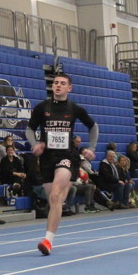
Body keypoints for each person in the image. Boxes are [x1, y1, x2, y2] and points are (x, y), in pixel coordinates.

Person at [26, 73, 99, 255]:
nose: (58, 85)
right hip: (47, 159)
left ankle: (47, 241)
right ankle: (60, 205)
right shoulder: (42, 108)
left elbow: (93, 126)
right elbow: (29, 129)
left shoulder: (74, 108)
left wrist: (91, 147)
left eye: (62, 83)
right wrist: (35, 145)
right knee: (54, 200)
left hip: (67, 156)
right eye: (56, 83)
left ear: (69, 88)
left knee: (56, 194)